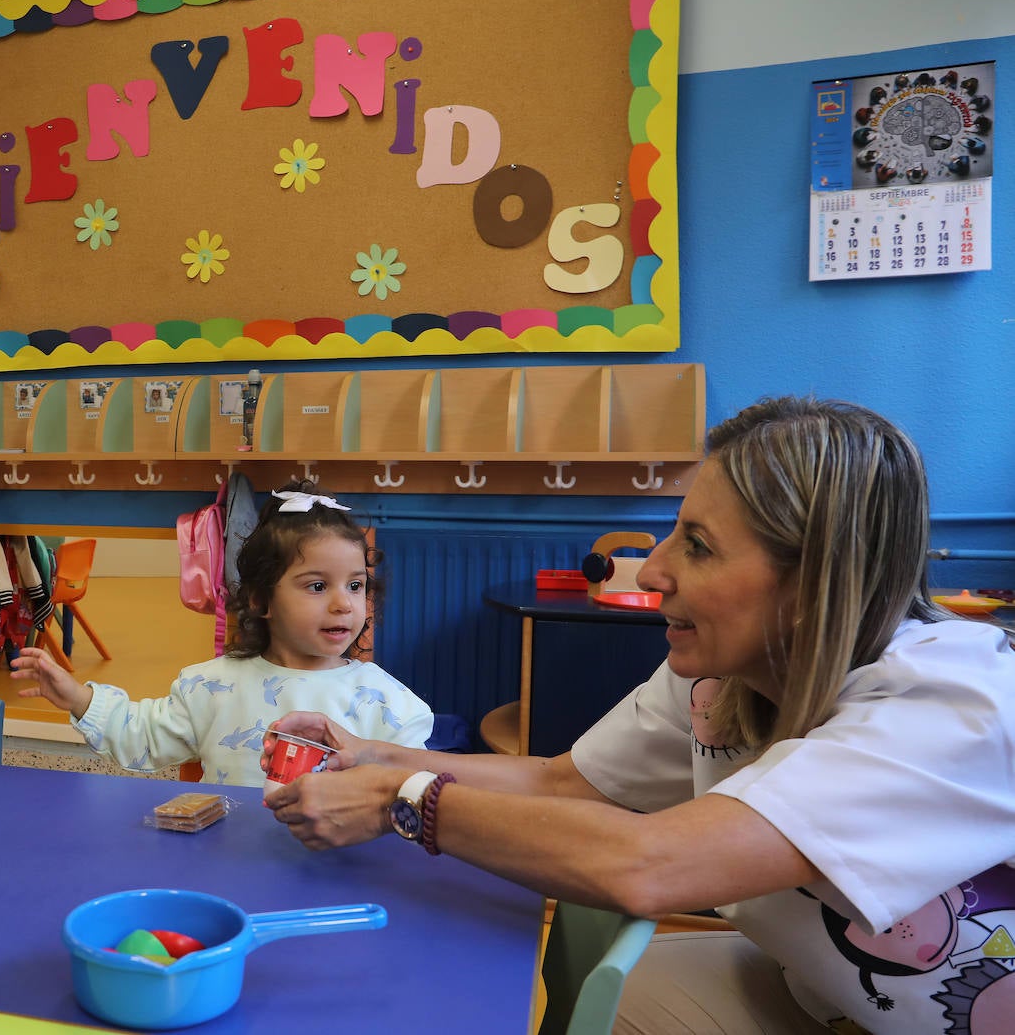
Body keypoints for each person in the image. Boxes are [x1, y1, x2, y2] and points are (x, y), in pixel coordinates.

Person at [263, 397, 1015, 1034]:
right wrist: (378, 757)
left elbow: (650, 863)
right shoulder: (722, 673)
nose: (654, 571)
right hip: (815, 994)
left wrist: (404, 801)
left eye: (698, 545)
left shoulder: (952, 705)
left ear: (813, 580)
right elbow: (564, 784)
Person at [10, 482, 434, 786]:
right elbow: (144, 737)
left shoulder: (387, 702)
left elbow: (417, 789)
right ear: (259, 600)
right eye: (318, 586)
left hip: (338, 874)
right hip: (230, 866)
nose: (344, 604)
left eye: (356, 585)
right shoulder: (211, 685)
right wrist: (79, 699)